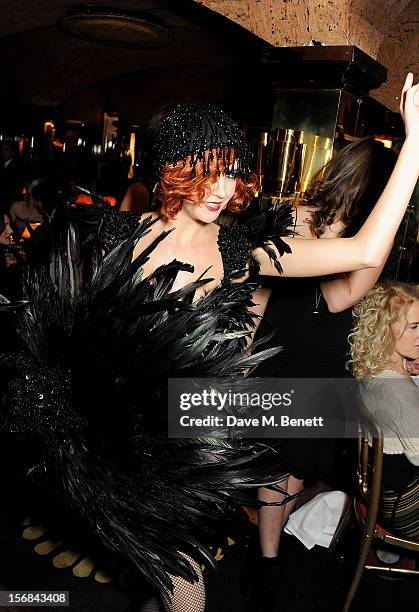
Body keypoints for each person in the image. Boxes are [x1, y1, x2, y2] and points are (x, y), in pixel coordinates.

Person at [1, 73, 419, 611]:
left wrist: (413, 148)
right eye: (209, 173)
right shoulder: (113, 235)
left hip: (187, 435)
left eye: (232, 174)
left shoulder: (241, 249)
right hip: (115, 438)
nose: (223, 190)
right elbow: (55, 323)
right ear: (175, 167)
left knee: (185, 582)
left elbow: (363, 253)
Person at [246, 137, 398, 609]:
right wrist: (242, 347)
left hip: (326, 360)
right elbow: (260, 290)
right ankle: (268, 558)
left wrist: (328, 243)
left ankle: (271, 539)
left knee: (293, 465)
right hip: (280, 352)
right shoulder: (287, 216)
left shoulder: (372, 236)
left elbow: (339, 298)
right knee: (277, 460)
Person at [349, 282, 419, 538]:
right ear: (384, 328)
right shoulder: (397, 391)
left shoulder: (373, 370)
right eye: (414, 327)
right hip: (405, 508)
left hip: (382, 491)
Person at [0, 141, 23, 214]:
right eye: (2, 150)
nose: (3, 152)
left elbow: (12, 187)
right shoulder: (3, 165)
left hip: (8, 203)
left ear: (13, 152)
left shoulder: (16, 167)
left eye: (6, 150)